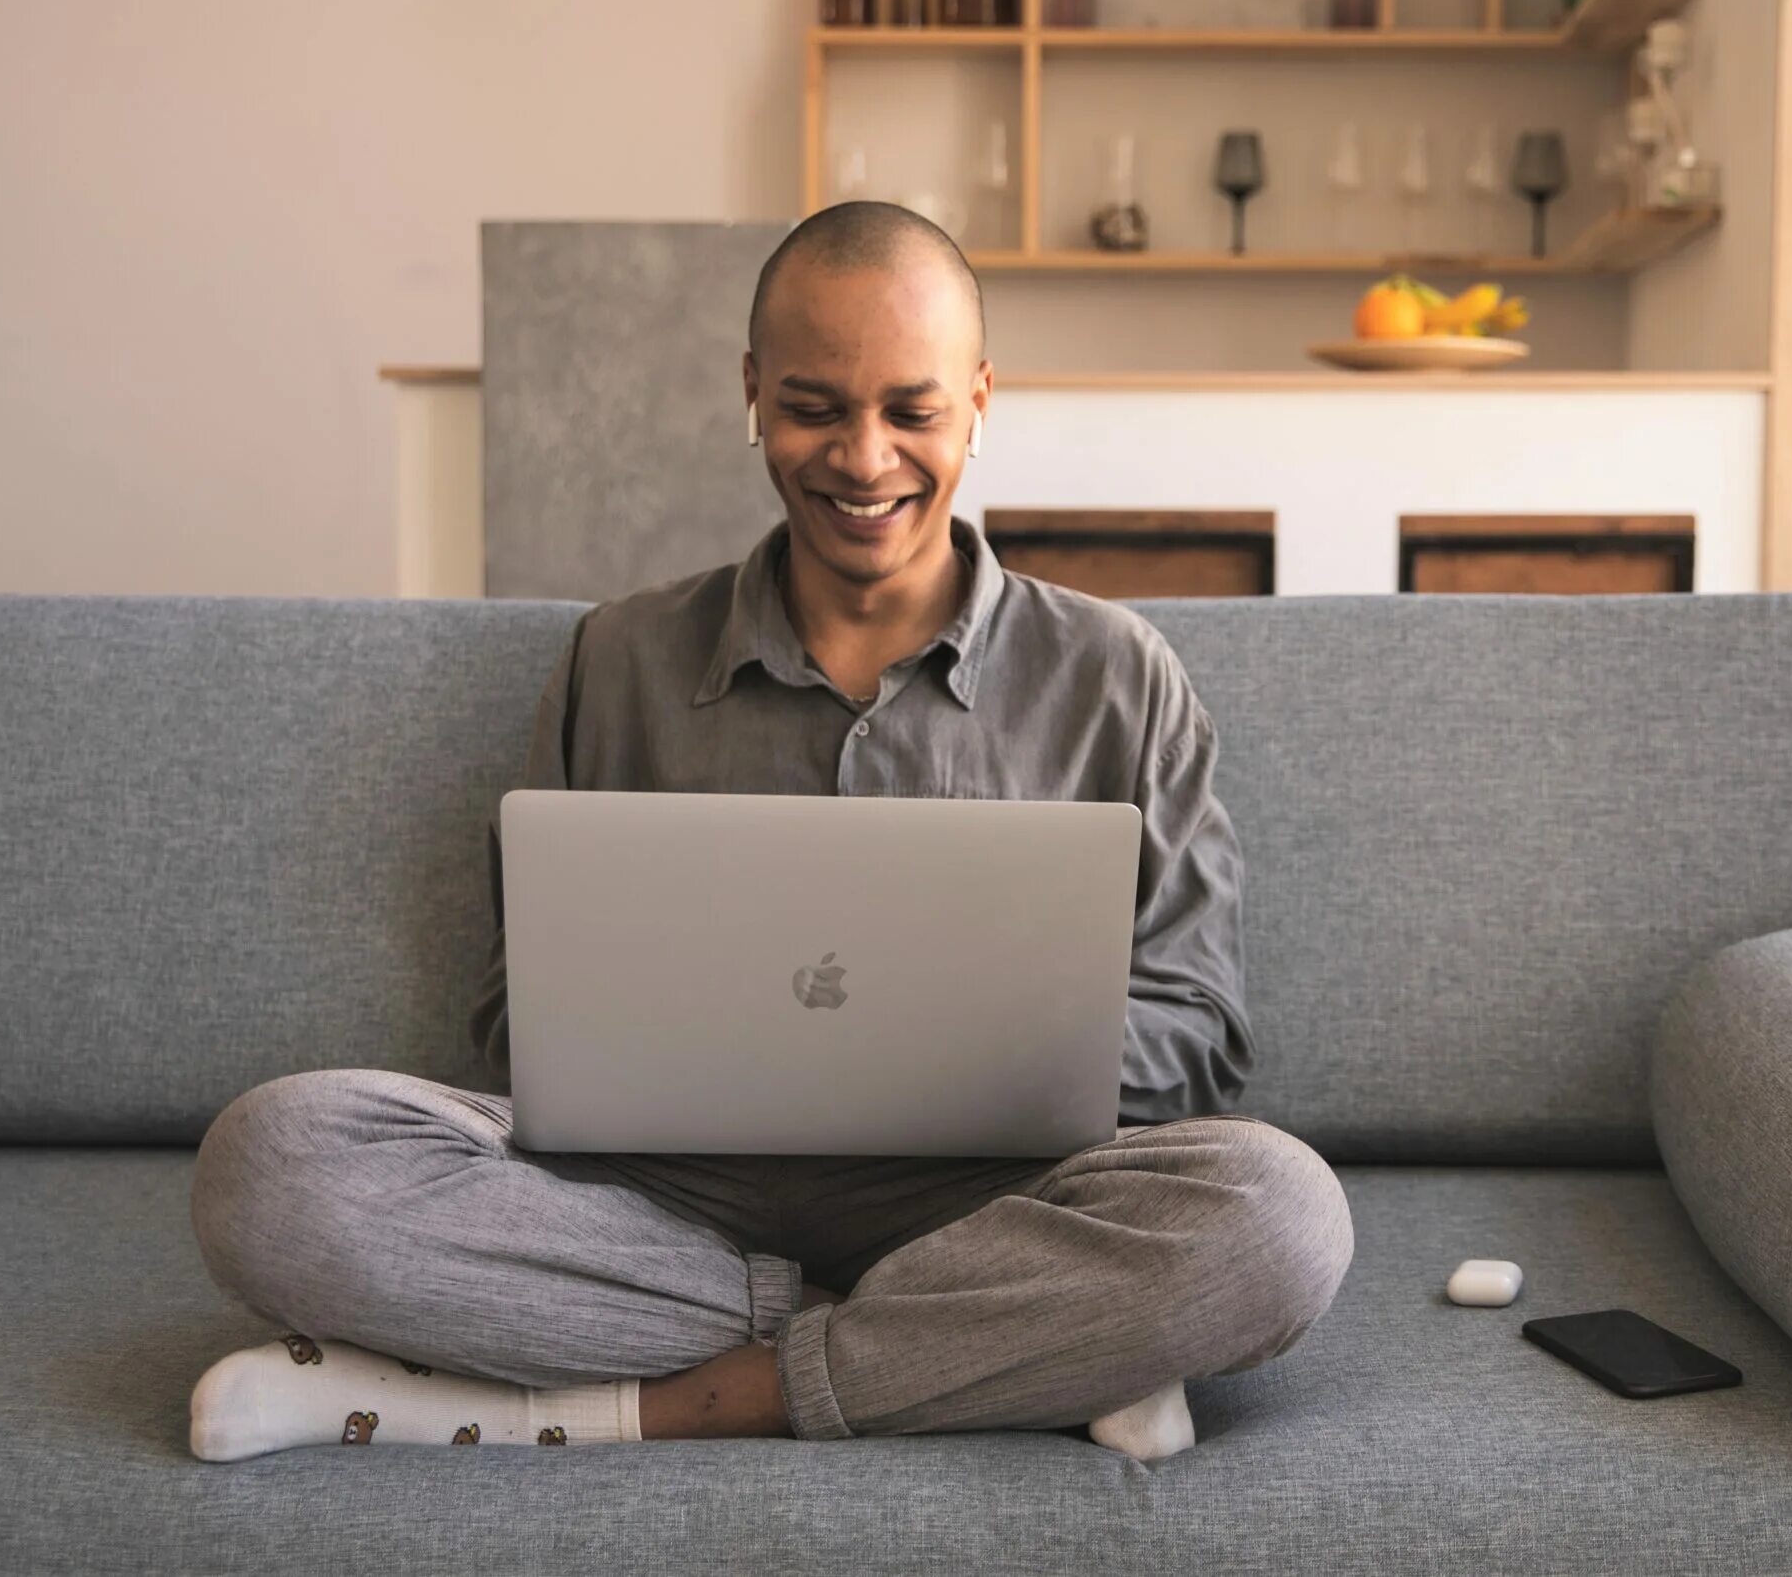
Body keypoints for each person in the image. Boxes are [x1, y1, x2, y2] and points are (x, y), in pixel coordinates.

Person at [185, 202, 1354, 1464]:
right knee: (278, 1161)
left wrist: (954, 1056)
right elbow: (511, 1015)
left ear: (978, 401)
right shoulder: (618, 657)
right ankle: (998, 1354)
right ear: (752, 392)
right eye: (814, 407)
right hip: (658, 1204)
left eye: (911, 411)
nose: (864, 460)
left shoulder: (1119, 673)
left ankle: (640, 1399)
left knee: (1278, 1216)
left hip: (990, 1199)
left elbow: (1200, 1024)